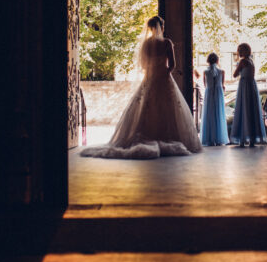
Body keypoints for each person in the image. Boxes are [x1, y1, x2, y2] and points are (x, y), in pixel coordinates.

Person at [81, 16, 202, 159]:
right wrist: (164, 73)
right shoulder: (167, 43)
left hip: (150, 80)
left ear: (150, 28)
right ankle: (168, 137)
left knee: (145, 109)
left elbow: (144, 65)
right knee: (168, 110)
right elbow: (173, 65)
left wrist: (153, 72)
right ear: (161, 27)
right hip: (164, 79)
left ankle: (146, 136)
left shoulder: (145, 44)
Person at [230, 43, 266, 147]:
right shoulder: (251, 61)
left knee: (243, 110)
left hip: (244, 86)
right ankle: (252, 139)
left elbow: (235, 74)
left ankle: (242, 138)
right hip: (252, 86)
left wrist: (237, 66)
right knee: (251, 111)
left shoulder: (243, 61)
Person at [200, 53, 229, 146]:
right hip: (218, 94)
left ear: (208, 61)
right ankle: (219, 138)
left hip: (209, 94)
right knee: (219, 115)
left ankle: (209, 139)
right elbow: (223, 86)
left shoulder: (205, 72)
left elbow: (205, 85)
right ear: (217, 60)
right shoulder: (222, 71)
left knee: (209, 115)